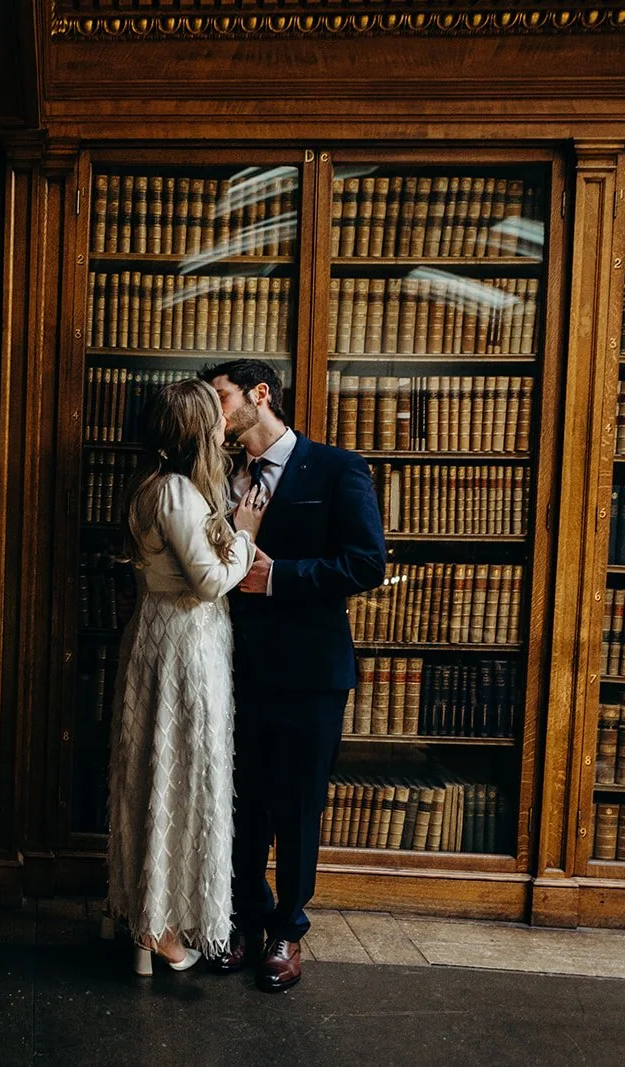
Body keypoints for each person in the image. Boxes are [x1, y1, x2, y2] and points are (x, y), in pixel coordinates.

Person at [199, 358, 386, 992]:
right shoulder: (221, 473)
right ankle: (246, 921)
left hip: (310, 671)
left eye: (221, 397)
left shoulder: (336, 468)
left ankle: (287, 930)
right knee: (242, 802)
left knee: (298, 806)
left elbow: (366, 564)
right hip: (232, 668)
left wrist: (277, 576)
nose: (214, 410)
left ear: (259, 394)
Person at [107, 378, 267, 977]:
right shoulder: (176, 491)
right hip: (183, 645)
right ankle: (161, 929)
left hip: (160, 637)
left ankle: (151, 920)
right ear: (194, 429)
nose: (223, 426)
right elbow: (209, 583)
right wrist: (246, 537)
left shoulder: (156, 485)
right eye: (213, 417)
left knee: (159, 772)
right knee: (178, 773)